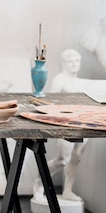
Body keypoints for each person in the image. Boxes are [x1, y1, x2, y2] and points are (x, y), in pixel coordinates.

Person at [33, 49, 86, 202]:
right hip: (66, 125)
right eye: (71, 61)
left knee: (76, 158)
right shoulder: (59, 80)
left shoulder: (80, 81)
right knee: (62, 159)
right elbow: (50, 104)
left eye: (77, 60)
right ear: (64, 63)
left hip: (83, 123)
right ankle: (39, 184)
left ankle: (68, 190)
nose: (74, 64)